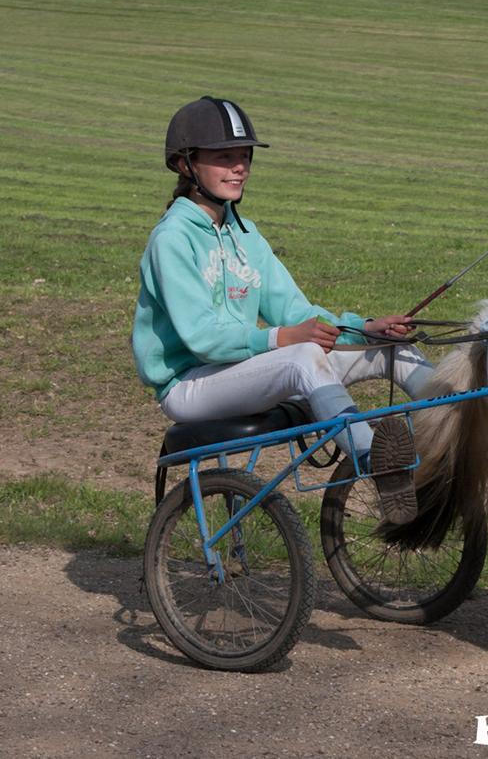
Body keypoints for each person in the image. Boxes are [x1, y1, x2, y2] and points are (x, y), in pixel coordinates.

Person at [132, 95, 428, 522]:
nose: (240, 167)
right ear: (186, 164)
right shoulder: (172, 238)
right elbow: (202, 338)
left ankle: (460, 434)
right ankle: (375, 462)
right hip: (189, 385)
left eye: (244, 156)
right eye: (225, 157)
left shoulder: (244, 233)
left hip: (240, 370)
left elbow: (294, 310)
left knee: (391, 349)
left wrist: (362, 327)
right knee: (303, 357)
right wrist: (280, 338)